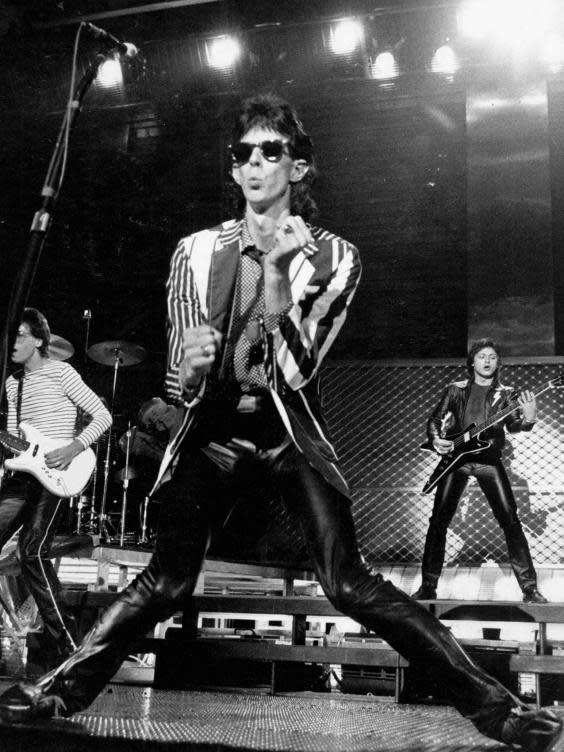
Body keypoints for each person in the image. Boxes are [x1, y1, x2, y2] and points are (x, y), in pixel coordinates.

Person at [0, 97, 560, 751]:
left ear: (298, 167)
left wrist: (270, 274)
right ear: (234, 171)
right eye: (244, 154)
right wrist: (190, 367)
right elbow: (186, 370)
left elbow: (292, 370)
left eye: (272, 152)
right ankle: (57, 693)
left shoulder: (335, 259)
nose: (257, 163)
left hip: (287, 435)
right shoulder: (195, 252)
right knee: (167, 579)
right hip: (210, 434)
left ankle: (500, 712)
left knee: (348, 582)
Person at [0, 308, 111, 669]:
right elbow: (17, 439)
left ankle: (68, 648)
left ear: (38, 339)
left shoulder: (62, 372)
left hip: (59, 472)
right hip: (23, 472)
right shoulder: (13, 383)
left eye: (20, 335)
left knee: (32, 552)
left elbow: (103, 416)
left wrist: (74, 447)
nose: (13, 343)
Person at [412, 339, 547, 604]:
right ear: (472, 362)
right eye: (482, 356)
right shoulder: (454, 390)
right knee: (438, 520)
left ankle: (530, 588)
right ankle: (428, 586)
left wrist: (529, 418)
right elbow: (435, 419)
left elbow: (515, 426)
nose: (487, 361)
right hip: (457, 459)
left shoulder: (507, 394)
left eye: (493, 357)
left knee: (510, 520)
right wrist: (437, 438)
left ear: (498, 364)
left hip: (488, 459)